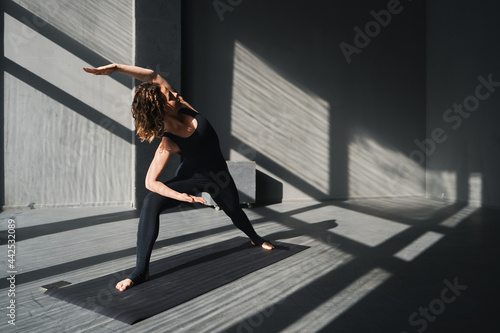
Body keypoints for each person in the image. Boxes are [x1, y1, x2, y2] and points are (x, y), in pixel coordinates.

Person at [83, 64, 274, 291]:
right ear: (163, 110)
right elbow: (150, 182)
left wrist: (116, 68)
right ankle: (140, 271)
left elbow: (152, 75)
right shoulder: (168, 141)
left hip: (219, 177)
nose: (175, 94)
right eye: (169, 96)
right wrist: (181, 196)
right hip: (192, 178)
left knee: (235, 211)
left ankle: (254, 237)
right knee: (150, 201)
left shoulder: (183, 106)